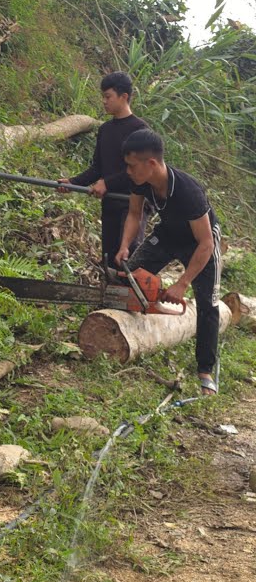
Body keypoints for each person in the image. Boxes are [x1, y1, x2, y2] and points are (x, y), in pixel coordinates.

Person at [116, 128, 223, 395]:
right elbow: (134, 214)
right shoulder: (141, 180)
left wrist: (182, 283)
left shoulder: (188, 192)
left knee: (208, 303)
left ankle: (205, 371)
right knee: (131, 276)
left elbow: (206, 243)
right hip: (168, 234)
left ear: (151, 163)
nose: (128, 171)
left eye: (132, 165)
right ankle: (128, 327)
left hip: (200, 242)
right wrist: (125, 245)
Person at [58, 71, 149, 270]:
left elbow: (141, 170)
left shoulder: (140, 130)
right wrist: (73, 182)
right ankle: (108, 289)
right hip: (110, 203)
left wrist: (108, 183)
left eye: (108, 96)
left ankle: (134, 290)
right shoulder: (105, 130)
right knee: (109, 258)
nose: (104, 101)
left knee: (129, 255)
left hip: (132, 203)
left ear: (123, 97)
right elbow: (98, 168)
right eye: (103, 96)